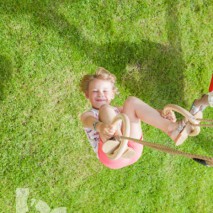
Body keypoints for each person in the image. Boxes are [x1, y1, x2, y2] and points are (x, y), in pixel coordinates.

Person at [80, 67, 212, 169]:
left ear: (113, 94)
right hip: (111, 153)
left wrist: (160, 113)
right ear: (87, 95)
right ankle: (118, 142)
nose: (101, 94)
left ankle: (172, 129)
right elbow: (87, 121)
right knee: (105, 109)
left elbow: (141, 112)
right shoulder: (90, 114)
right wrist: (100, 126)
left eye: (105, 91)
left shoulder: (116, 110)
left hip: (132, 148)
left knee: (131, 102)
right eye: (95, 91)